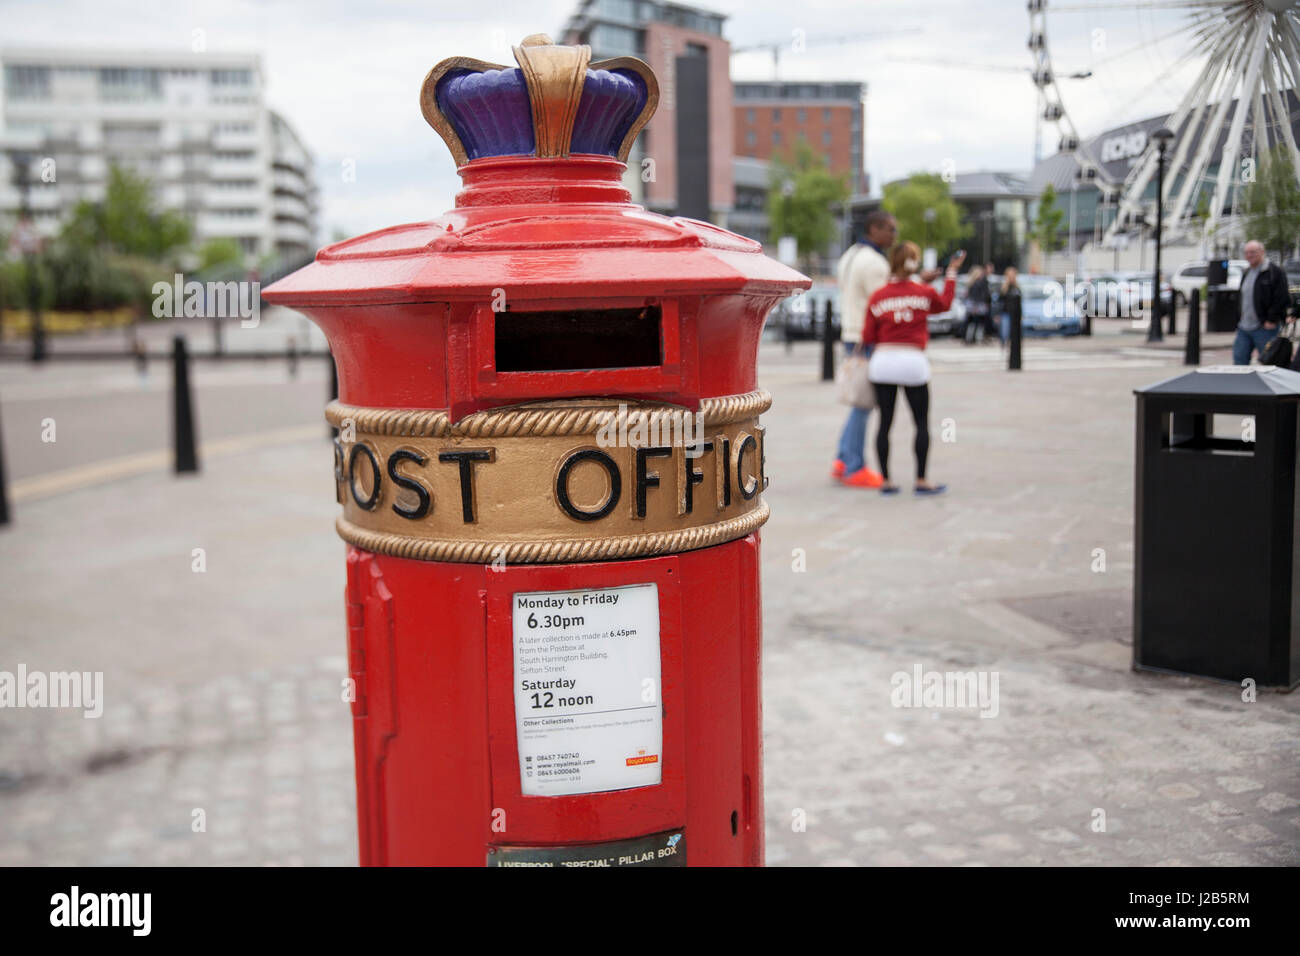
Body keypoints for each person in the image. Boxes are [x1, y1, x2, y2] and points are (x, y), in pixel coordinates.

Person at [862, 242, 965, 496]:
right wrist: (951, 272)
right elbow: (945, 303)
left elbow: (867, 336)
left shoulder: (878, 296)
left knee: (885, 424)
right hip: (913, 362)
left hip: (883, 362)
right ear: (914, 262)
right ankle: (921, 479)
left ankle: (886, 481)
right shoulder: (923, 291)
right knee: (920, 422)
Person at [831, 210, 895, 487]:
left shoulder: (850, 255)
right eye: (890, 229)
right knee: (864, 404)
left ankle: (843, 458)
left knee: (858, 401)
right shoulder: (874, 263)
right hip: (866, 337)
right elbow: (884, 303)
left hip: (851, 332)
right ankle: (854, 466)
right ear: (875, 229)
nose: (894, 235)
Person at [1232, 240, 1290, 365]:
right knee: (1239, 362)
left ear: (1262, 252)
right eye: (1246, 253)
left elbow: (1282, 298)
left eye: (1252, 252)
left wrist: (1271, 320)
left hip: (1264, 328)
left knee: (1268, 363)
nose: (1249, 256)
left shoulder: (1274, 272)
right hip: (1244, 327)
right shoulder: (1246, 272)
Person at [964, 266, 991, 344]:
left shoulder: (978, 283)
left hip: (977, 305)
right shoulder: (975, 284)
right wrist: (975, 306)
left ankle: (974, 338)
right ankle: (972, 338)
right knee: (975, 322)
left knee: (977, 322)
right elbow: (974, 297)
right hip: (976, 306)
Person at [998, 267, 1020, 345]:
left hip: (1015, 314)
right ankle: (1004, 345)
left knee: (1014, 333)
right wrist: (997, 314)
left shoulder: (1017, 288)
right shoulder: (1004, 288)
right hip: (1005, 313)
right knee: (1004, 332)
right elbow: (1000, 301)